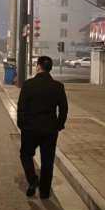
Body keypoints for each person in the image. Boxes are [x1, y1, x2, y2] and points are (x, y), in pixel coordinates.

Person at [17, 55, 68, 199]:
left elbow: (21, 106)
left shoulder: (28, 84)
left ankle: (33, 180)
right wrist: (59, 125)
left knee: (26, 155)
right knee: (47, 161)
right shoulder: (58, 86)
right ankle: (45, 192)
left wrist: (21, 124)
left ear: (38, 66)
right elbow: (63, 109)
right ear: (50, 68)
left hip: (30, 128)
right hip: (50, 129)